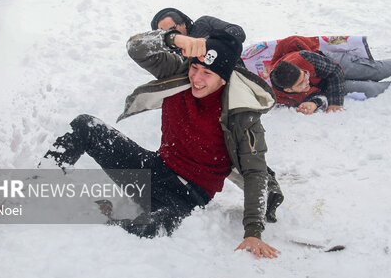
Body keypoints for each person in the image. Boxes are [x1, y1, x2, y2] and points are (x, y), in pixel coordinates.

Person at [43, 30, 280, 258]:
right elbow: (136, 48)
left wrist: (253, 232)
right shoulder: (177, 73)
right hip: (155, 168)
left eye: (207, 73)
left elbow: (255, 172)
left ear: (224, 78)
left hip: (188, 195)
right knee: (87, 126)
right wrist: (172, 38)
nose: (196, 78)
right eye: (195, 67)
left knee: (149, 230)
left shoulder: (241, 114)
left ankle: (104, 217)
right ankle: (39, 183)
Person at [267, 36, 391, 114]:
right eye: (301, 83)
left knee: (376, 71)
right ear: (289, 89)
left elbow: (335, 71)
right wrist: (314, 104)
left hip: (331, 65)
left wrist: (335, 103)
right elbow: (316, 96)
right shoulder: (282, 97)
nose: (306, 79)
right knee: (370, 89)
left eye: (305, 75)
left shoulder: (303, 58)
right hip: (323, 85)